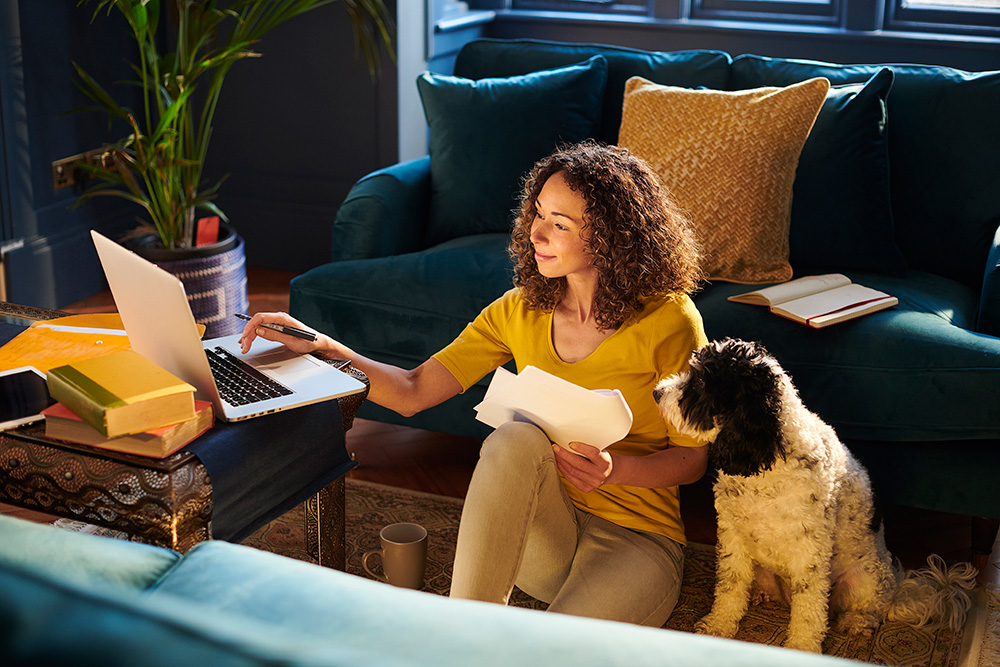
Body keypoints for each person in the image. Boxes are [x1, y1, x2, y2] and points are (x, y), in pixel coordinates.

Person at [239, 141, 709, 627]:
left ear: (611, 238)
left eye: (560, 225)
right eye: (538, 213)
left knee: (554, 653)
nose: (536, 232)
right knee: (514, 438)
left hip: (637, 536)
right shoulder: (519, 309)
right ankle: (461, 632)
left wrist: (614, 472)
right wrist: (320, 347)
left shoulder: (670, 321)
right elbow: (412, 389)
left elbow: (693, 459)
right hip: (542, 531)